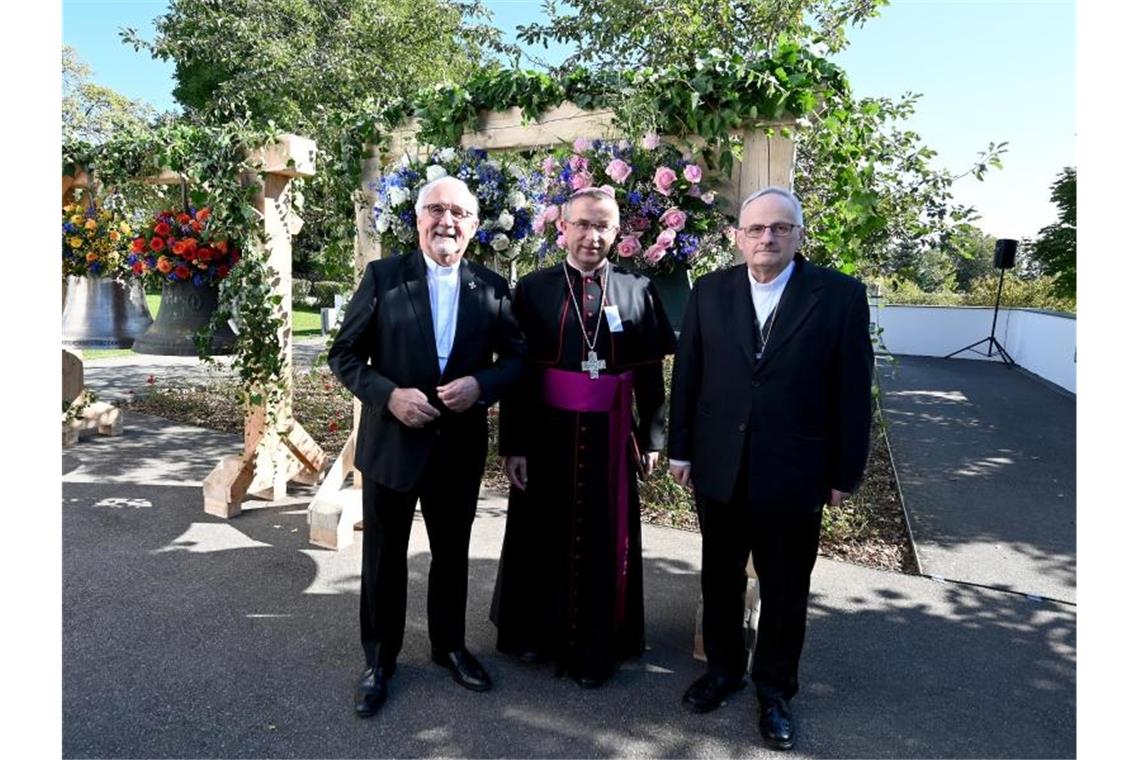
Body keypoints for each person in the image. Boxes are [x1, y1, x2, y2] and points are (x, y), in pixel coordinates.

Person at [668, 186, 873, 750]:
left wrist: (844, 472)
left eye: (780, 228)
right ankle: (723, 671)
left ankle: (775, 691)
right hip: (718, 467)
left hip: (796, 471)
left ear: (798, 235)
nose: (767, 238)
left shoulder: (839, 297)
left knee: (785, 590)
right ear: (738, 236)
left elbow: (853, 393)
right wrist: (680, 449)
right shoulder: (710, 292)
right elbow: (688, 377)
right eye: (756, 229)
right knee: (720, 577)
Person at [328, 176, 525, 718]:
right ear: (416, 218)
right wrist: (388, 396)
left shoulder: (492, 286)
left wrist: (480, 386)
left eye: (459, 212)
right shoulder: (384, 277)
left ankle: (450, 648)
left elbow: (516, 361)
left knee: (452, 556)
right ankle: (379, 660)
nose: (447, 221)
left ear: (474, 225)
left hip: (457, 450)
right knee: (383, 558)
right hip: (391, 445)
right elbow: (343, 355)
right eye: (435, 209)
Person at [490, 186, 676, 687]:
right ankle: (535, 634)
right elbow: (517, 374)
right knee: (539, 534)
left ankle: (600, 643)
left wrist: (653, 436)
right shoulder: (533, 288)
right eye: (583, 224)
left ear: (618, 233)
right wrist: (514, 445)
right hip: (546, 436)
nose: (592, 236)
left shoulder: (637, 289)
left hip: (611, 437)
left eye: (604, 226)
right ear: (563, 229)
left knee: (603, 537)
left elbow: (649, 373)